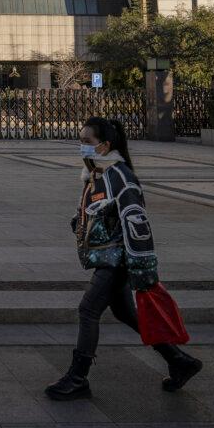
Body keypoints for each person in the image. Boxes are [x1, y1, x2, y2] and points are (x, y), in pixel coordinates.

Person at [45, 116, 203, 401]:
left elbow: (137, 222)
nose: (82, 146)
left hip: (117, 260)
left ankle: (78, 378)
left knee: (88, 310)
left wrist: (143, 268)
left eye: (87, 141)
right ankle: (179, 360)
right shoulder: (98, 174)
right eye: (80, 141)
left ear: (105, 146)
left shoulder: (120, 176)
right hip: (109, 256)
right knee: (125, 313)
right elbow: (97, 212)